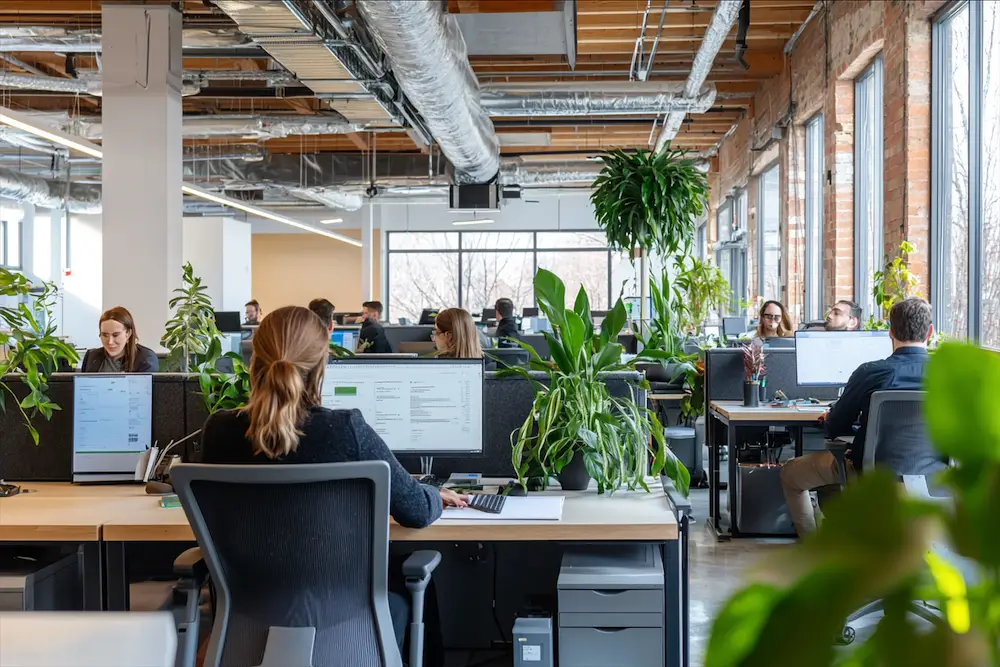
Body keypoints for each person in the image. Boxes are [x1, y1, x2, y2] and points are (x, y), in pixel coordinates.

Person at [199, 305, 467, 655]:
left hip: (246, 621)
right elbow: (416, 511)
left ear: (254, 360)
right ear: (321, 364)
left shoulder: (219, 432)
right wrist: (432, 492)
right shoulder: (344, 431)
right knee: (411, 579)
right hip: (346, 623)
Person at [779, 297, 934, 536]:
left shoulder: (871, 372)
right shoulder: (951, 377)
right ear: (930, 332)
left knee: (791, 473)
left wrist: (859, 436)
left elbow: (835, 426)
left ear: (890, 332)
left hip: (872, 474)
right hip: (934, 477)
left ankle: (813, 548)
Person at [81, 307, 159, 373]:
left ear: (128, 333)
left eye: (115, 335)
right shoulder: (91, 356)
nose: (110, 342)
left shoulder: (146, 359)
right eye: (105, 335)